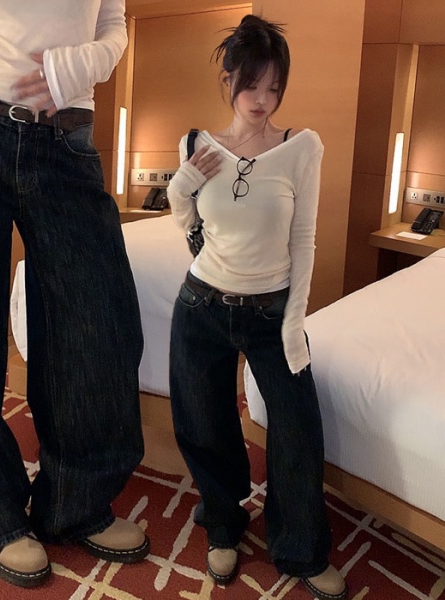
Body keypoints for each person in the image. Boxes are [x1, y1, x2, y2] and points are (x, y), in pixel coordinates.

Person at [0, 0, 148, 589]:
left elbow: (113, 27)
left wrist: (74, 68)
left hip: (67, 143)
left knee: (99, 326)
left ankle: (76, 503)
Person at [166, 14, 348, 600]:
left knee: (297, 429)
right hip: (201, 306)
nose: (262, 100)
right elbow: (186, 222)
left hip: (271, 313)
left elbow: (304, 241)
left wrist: (294, 321)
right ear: (228, 81)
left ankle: (299, 547)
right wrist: (179, 185)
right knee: (204, 421)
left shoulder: (301, 148)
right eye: (251, 85)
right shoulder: (197, 145)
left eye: (274, 87)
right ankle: (224, 521)